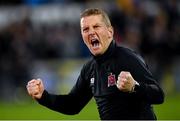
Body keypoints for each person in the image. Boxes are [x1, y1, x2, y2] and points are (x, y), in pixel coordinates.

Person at [26, 8, 164, 120]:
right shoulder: (89, 69)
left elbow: (159, 95)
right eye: (85, 29)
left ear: (110, 32)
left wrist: (134, 87)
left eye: (96, 26)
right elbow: (72, 105)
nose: (91, 32)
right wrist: (43, 96)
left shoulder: (127, 58)